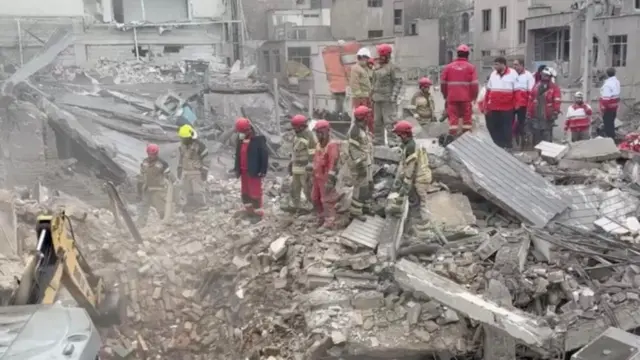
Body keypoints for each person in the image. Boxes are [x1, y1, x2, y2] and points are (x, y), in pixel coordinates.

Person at [389, 120, 433, 238]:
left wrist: (403, 189)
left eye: (398, 135)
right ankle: (420, 224)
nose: (397, 138)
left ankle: (425, 229)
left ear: (404, 135)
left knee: (421, 202)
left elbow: (409, 170)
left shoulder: (411, 147)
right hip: (422, 175)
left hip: (421, 178)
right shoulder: (411, 144)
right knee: (417, 201)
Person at [440, 44, 479, 137]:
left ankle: (452, 138)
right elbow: (474, 85)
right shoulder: (471, 68)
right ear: (467, 55)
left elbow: (443, 83)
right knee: (467, 121)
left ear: (457, 54)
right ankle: (466, 139)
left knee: (453, 121)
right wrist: (473, 97)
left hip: (452, 98)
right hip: (466, 99)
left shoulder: (448, 67)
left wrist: (446, 95)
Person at [234, 117, 269, 219]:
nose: (240, 133)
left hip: (254, 172)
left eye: (241, 131)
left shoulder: (258, 140)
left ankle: (258, 214)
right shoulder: (240, 140)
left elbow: (264, 155)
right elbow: (238, 155)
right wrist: (237, 169)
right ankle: (249, 212)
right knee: (245, 193)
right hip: (244, 171)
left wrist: (263, 170)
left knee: (255, 193)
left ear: (247, 130)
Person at [311, 120, 341, 232]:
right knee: (315, 198)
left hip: (326, 178)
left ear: (327, 132)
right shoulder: (319, 144)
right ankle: (321, 217)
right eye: (317, 133)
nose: (318, 135)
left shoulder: (332, 145)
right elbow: (316, 159)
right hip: (317, 176)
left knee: (327, 200)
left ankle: (329, 222)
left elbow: (333, 164)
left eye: (320, 132)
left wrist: (330, 179)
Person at [371, 43, 403, 145]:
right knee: (377, 122)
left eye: (382, 56)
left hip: (387, 99)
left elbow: (398, 82)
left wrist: (394, 96)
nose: (380, 57)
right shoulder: (377, 67)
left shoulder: (392, 68)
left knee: (390, 121)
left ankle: (392, 140)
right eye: (379, 55)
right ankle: (378, 139)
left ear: (387, 55)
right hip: (376, 99)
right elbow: (373, 83)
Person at [348, 106, 374, 221]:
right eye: (367, 116)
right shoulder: (355, 131)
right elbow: (353, 150)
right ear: (363, 117)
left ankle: (365, 208)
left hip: (367, 162)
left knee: (368, 187)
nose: (369, 118)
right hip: (360, 165)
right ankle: (355, 212)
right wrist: (360, 166)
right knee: (360, 188)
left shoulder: (363, 128)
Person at [137, 143, 174, 226]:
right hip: (148, 189)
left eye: (153, 154)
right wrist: (139, 191)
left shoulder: (162, 164)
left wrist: (173, 184)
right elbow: (141, 176)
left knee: (161, 208)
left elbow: (169, 176)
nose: (151, 156)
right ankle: (140, 224)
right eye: (150, 154)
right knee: (143, 207)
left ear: (156, 154)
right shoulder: (144, 162)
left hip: (159, 190)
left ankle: (166, 223)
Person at [484, 57, 517, 149]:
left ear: (503, 64)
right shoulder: (493, 74)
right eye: (494, 64)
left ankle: (508, 144)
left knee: (507, 127)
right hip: (494, 107)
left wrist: (515, 104)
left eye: (497, 64)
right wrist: (486, 105)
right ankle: (498, 145)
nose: (495, 67)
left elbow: (517, 91)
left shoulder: (513, 74)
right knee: (495, 126)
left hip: (507, 107)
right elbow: (488, 91)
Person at [286, 114, 316, 213]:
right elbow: (294, 152)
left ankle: (313, 209)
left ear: (301, 126)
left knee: (308, 189)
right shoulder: (296, 136)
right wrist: (291, 163)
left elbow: (313, 153)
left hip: (305, 169)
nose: (294, 129)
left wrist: (310, 166)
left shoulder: (310, 136)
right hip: (296, 168)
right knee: (295, 188)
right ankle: (296, 207)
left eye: (295, 127)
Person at [177, 124, 209, 210]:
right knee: (187, 189)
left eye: (184, 138)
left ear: (189, 137)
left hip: (197, 171)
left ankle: (202, 205)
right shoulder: (182, 146)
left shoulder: (199, 146)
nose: (182, 140)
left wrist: (204, 170)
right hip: (186, 171)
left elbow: (206, 159)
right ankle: (191, 204)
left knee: (197, 190)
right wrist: (179, 168)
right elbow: (181, 157)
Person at [526, 68, 561, 144]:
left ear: (551, 77)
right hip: (536, 114)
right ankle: (538, 153)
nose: (544, 77)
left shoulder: (554, 88)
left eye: (546, 75)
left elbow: (557, 101)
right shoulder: (537, 85)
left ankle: (546, 153)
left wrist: (555, 112)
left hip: (547, 115)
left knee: (546, 136)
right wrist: (529, 111)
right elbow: (530, 98)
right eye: (543, 75)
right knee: (537, 136)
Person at [350, 48, 374, 133]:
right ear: (362, 57)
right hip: (359, 99)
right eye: (366, 58)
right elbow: (354, 84)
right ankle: (356, 133)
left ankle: (366, 134)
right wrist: (360, 96)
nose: (367, 60)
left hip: (365, 97)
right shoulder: (356, 68)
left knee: (367, 118)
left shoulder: (364, 68)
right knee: (359, 118)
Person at [513, 58, 535, 148]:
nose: (514, 67)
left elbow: (531, 92)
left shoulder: (528, 75)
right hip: (512, 104)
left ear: (522, 65)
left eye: (516, 65)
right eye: (513, 65)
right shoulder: (511, 74)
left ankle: (523, 144)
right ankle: (513, 143)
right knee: (510, 124)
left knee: (522, 124)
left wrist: (529, 106)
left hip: (523, 105)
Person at [599, 67, 620, 139]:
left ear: (607, 74)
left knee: (608, 125)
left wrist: (603, 109)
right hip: (614, 107)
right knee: (611, 124)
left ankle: (610, 141)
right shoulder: (617, 82)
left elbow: (606, 99)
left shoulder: (607, 85)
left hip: (608, 108)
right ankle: (612, 139)